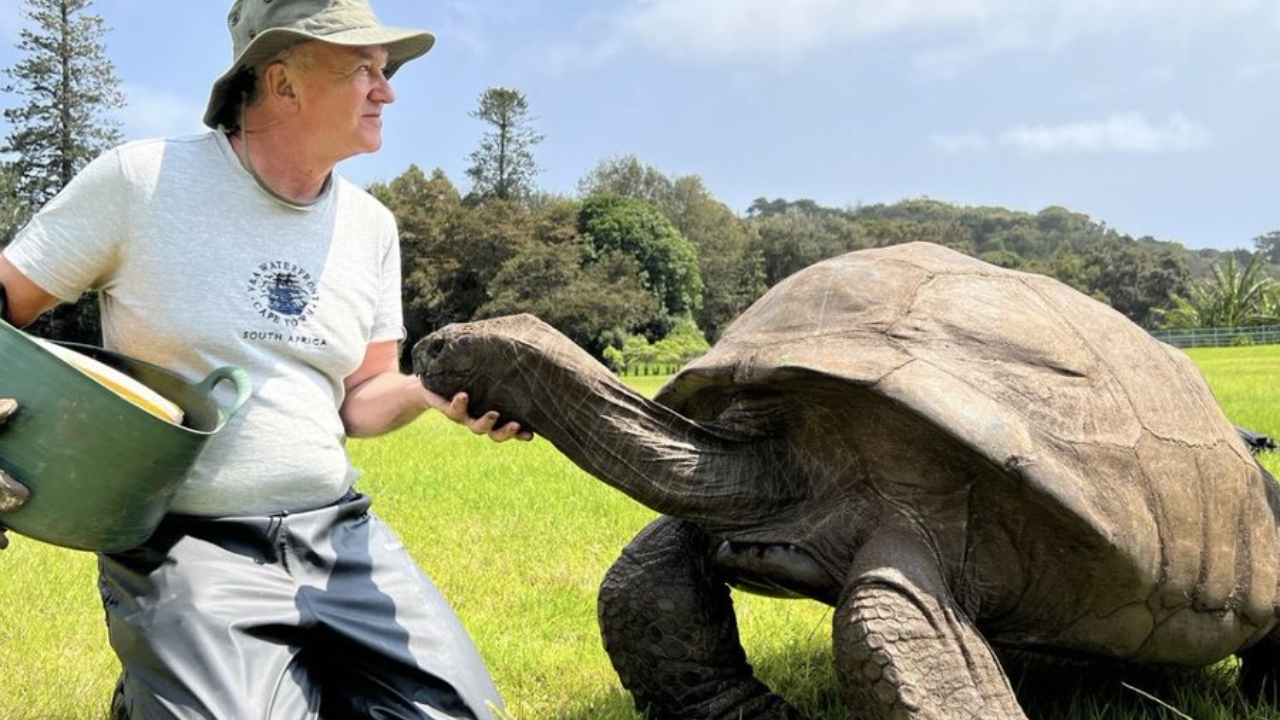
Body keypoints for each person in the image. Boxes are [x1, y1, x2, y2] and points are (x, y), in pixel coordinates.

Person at [0, 1, 528, 717]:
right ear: (281, 81)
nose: (387, 90)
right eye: (363, 70)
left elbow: (362, 393)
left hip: (340, 534)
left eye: (386, 71)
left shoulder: (371, 227)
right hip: (186, 547)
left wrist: (428, 393)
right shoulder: (140, 183)